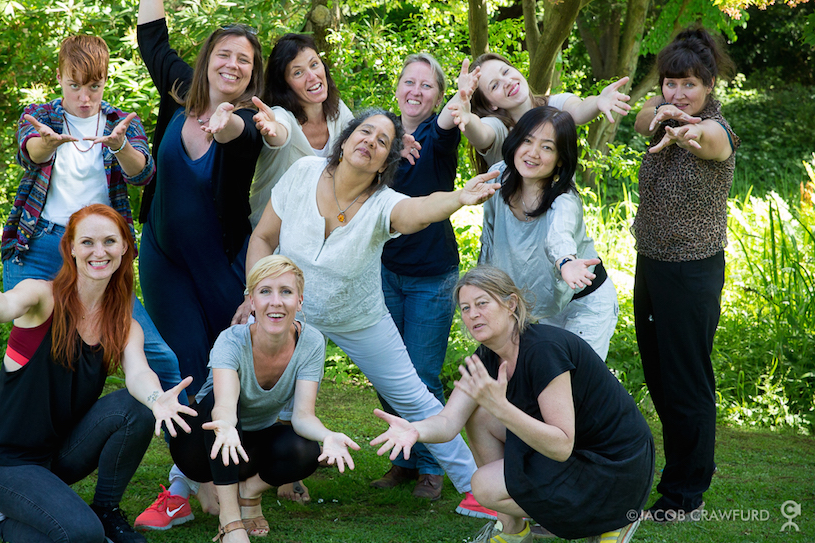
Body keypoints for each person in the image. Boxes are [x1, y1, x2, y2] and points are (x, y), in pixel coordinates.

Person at [245, 109, 502, 518]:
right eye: (364, 132)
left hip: (359, 316)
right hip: (288, 312)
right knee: (247, 386)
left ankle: (476, 488)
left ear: (386, 163)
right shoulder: (303, 172)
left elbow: (420, 210)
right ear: (345, 140)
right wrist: (254, 296)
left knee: (413, 397)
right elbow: (262, 236)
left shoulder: (384, 204)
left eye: (383, 141)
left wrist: (458, 198)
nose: (370, 141)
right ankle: (194, 482)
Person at [134, 0, 287, 528]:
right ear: (207, 61)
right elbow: (153, 41)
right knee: (185, 365)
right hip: (165, 261)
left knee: (231, 364)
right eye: (224, 55)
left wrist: (227, 124)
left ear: (253, 74)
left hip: (222, 262)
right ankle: (199, 482)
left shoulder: (247, 121)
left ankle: (243, 479)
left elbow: (236, 141)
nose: (233, 65)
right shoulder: (180, 92)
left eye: (244, 60)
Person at [0, 204, 196, 543]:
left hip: (60, 454)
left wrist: (156, 399)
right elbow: (7, 304)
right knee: (82, 535)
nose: (99, 252)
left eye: (109, 241)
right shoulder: (43, 296)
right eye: (87, 242)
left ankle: (106, 511)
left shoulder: (124, 323)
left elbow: (139, 373)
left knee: (137, 408)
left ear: (125, 247)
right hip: (7, 464)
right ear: (70, 248)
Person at [371, 266, 654, 543]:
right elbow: (447, 422)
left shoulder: (544, 351)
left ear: (511, 304)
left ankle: (615, 518)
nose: (473, 314)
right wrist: (415, 430)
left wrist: (502, 408)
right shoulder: (487, 357)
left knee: (484, 485)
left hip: (614, 467)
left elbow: (561, 445)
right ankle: (513, 531)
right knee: (479, 417)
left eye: (482, 303)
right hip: (575, 454)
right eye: (466, 308)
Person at [0, 33, 185, 407]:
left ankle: (185, 431)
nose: (85, 98)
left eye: (94, 87)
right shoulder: (41, 116)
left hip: (98, 254)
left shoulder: (120, 122)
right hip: (39, 247)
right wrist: (46, 143)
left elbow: (142, 173)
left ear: (105, 81)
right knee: (29, 358)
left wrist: (120, 146)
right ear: (59, 78)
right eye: (75, 86)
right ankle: (17, 431)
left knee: (160, 355)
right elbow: (30, 153)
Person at [170, 255, 359, 542]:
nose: (276, 302)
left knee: (305, 450)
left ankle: (249, 492)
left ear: (299, 301)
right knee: (216, 407)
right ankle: (230, 521)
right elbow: (224, 404)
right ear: (251, 301)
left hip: (251, 446)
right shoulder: (231, 340)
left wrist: (328, 435)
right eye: (265, 291)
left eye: (286, 292)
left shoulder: (311, 342)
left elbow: (303, 416)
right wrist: (226, 426)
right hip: (201, 446)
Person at [632, 25, 739, 522]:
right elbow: (640, 119)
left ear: (709, 85)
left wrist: (685, 130)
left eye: (689, 84)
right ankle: (684, 470)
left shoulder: (717, 130)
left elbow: (707, 140)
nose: (678, 93)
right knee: (660, 376)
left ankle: (685, 495)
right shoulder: (661, 115)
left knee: (686, 380)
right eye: (670, 83)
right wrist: (663, 112)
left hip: (692, 270)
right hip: (652, 263)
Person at [370, 53, 460, 500]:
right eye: (409, 81)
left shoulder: (438, 136)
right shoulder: (382, 134)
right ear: (398, 86)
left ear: (438, 96)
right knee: (389, 372)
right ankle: (403, 460)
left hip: (431, 276)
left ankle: (431, 466)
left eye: (427, 85)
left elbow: (445, 125)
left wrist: (461, 100)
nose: (416, 91)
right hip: (385, 272)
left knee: (421, 374)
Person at [477, 105, 618, 360]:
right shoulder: (498, 178)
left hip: (584, 304)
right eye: (527, 141)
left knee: (576, 377)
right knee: (538, 377)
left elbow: (559, 235)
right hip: (542, 306)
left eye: (547, 147)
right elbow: (489, 236)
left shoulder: (564, 200)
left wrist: (566, 262)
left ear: (560, 158)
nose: (533, 153)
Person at [442, 54, 631, 172]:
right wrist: (468, 119)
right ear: (490, 105)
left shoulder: (554, 105)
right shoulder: (498, 128)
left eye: (506, 72)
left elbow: (578, 110)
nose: (506, 82)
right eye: (494, 85)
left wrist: (598, 101)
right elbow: (482, 134)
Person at [247, 33, 354, 227]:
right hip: (270, 235)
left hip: (315, 232)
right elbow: (280, 132)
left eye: (314, 64)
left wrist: (393, 142)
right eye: (298, 73)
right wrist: (272, 128)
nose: (312, 76)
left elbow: (359, 138)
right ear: (284, 85)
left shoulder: (337, 109)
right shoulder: (281, 115)